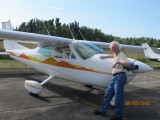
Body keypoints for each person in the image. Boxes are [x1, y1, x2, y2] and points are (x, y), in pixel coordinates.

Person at [93, 41, 130, 120]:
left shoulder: (121, 55)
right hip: (115, 77)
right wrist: (104, 57)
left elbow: (127, 64)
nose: (113, 49)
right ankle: (102, 111)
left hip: (120, 77)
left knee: (118, 98)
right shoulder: (116, 54)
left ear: (118, 47)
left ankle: (118, 116)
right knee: (107, 94)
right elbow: (113, 55)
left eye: (115, 47)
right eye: (112, 48)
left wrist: (117, 62)